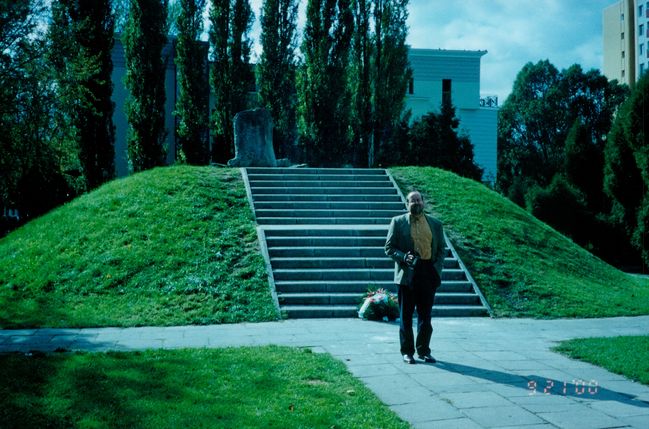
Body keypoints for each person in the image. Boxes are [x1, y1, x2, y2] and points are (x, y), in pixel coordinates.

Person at [385, 190, 445, 364]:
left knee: (425, 316)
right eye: (413, 201)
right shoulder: (398, 222)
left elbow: (441, 250)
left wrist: (436, 270)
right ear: (407, 203)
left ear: (423, 202)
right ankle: (407, 352)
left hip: (428, 272)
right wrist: (404, 257)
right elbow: (389, 248)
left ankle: (424, 351)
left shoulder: (435, 223)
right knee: (406, 315)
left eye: (419, 200)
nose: (416, 203)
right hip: (407, 274)